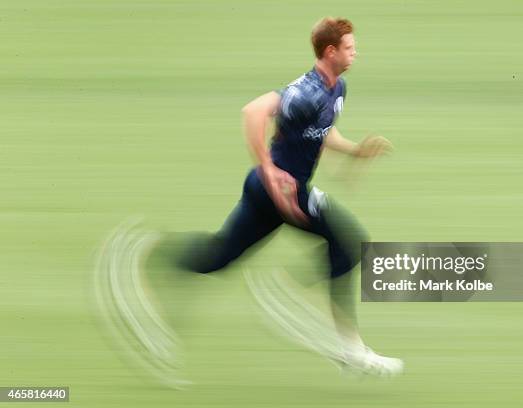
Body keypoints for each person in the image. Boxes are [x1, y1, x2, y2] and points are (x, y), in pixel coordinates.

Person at [100, 17, 403, 380]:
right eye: (351, 48)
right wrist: (271, 171)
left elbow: (320, 131)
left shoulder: (336, 89)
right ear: (330, 51)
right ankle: (341, 341)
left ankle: (149, 250)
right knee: (349, 242)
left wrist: (354, 152)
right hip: (279, 190)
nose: (357, 52)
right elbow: (253, 111)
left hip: (272, 191)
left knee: (218, 257)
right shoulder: (306, 91)